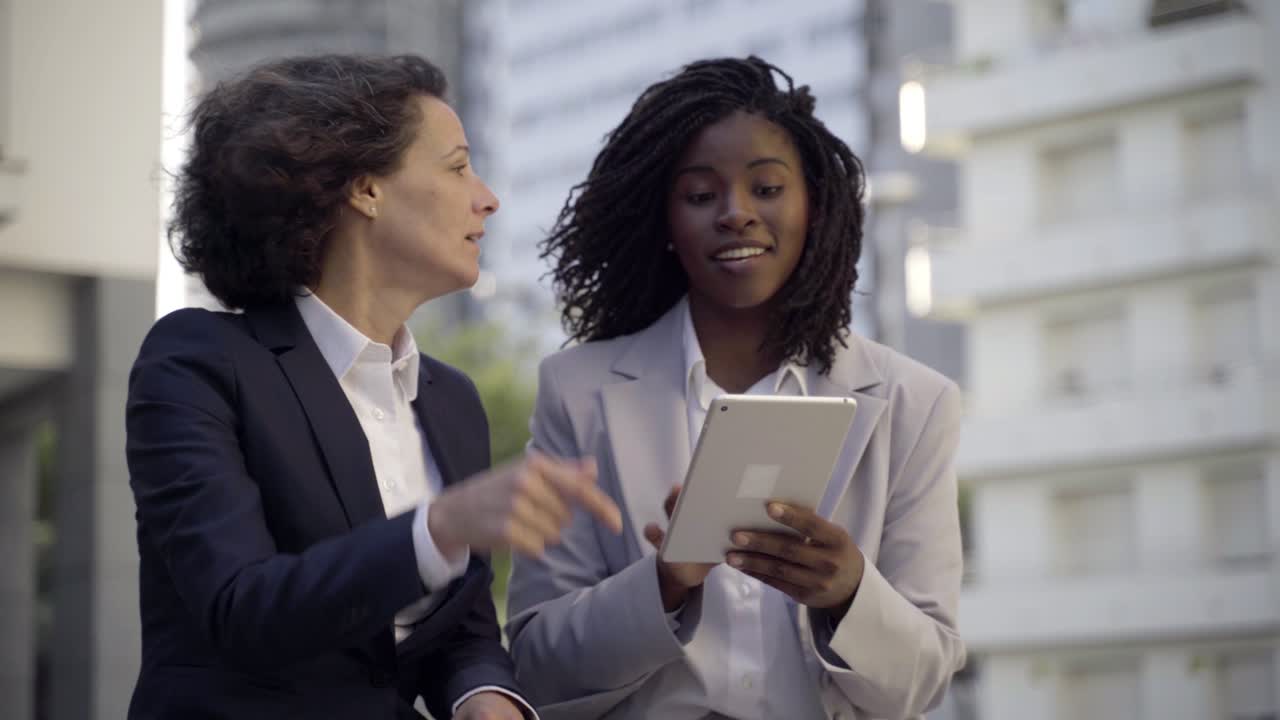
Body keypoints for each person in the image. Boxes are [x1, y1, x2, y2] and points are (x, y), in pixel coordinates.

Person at [125, 54, 621, 720]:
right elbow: (242, 606)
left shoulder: (451, 400)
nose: (487, 197)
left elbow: (460, 629)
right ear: (365, 190)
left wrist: (482, 694)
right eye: (457, 167)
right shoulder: (198, 360)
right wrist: (440, 525)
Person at [506, 56, 965, 720]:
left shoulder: (914, 403)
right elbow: (537, 666)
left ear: (815, 205)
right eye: (700, 196)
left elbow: (924, 684)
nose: (736, 214)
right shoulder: (576, 393)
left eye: (767, 188)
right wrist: (663, 584)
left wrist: (850, 593)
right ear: (665, 222)